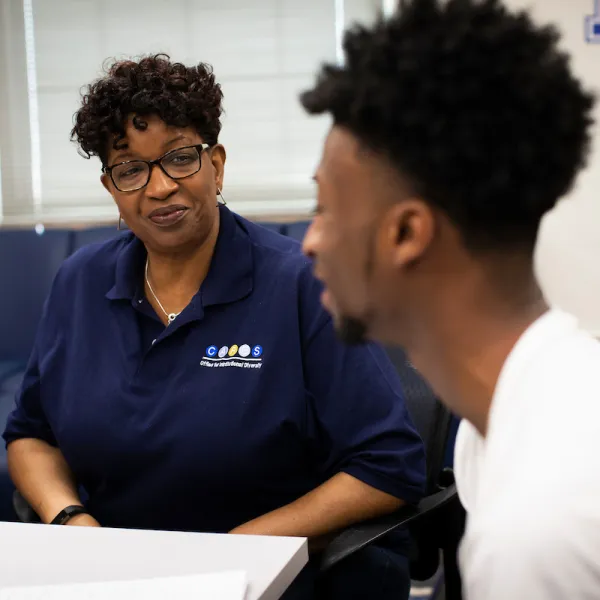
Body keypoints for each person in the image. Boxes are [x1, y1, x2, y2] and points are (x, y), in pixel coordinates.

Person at [2, 55, 425, 599]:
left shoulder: (304, 285)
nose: (158, 188)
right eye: (130, 169)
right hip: (115, 577)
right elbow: (31, 436)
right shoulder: (79, 282)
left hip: (272, 576)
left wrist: (232, 555)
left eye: (179, 158)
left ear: (216, 166)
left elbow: (388, 465)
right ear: (112, 187)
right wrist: (74, 525)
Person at [300, 0, 600, 598]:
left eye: (326, 209)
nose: (309, 242)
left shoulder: (539, 528)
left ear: (407, 234)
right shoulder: (497, 426)